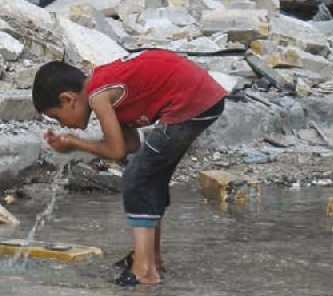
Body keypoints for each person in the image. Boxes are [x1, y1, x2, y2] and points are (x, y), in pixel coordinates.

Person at [32, 51, 227, 286]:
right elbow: (130, 144)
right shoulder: (104, 87)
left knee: (136, 180)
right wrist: (76, 144)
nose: (63, 124)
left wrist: (74, 143)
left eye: (57, 117)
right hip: (203, 98)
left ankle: (144, 271)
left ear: (67, 99)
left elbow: (116, 152)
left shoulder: (98, 95)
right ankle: (152, 259)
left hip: (191, 101)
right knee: (150, 177)